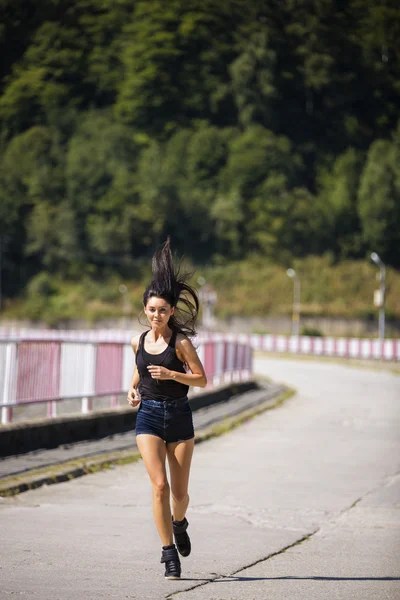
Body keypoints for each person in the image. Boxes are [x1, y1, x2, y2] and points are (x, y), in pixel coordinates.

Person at [127, 238, 207, 580]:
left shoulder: (181, 343)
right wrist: (132, 390)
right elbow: (138, 374)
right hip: (148, 417)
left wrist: (174, 373)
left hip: (178, 416)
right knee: (158, 486)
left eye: (162, 310)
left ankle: (179, 523)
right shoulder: (138, 341)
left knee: (179, 493)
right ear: (144, 309)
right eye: (151, 309)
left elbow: (202, 380)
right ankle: (168, 553)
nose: (156, 315)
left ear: (172, 311)